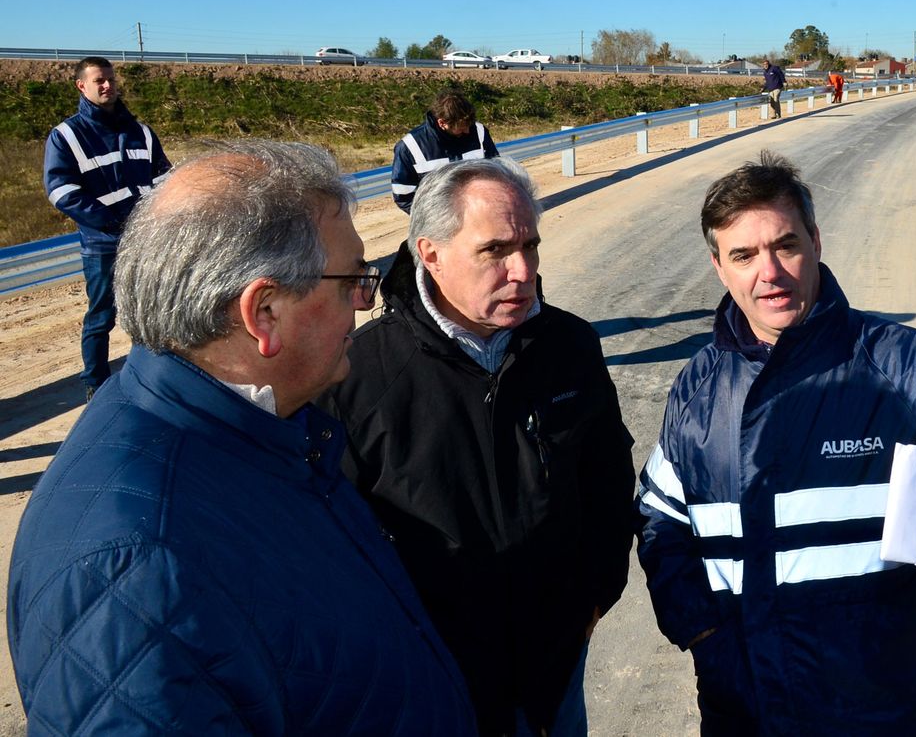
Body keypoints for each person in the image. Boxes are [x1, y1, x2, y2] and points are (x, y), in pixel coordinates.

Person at [8, 141, 476, 734]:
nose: (364, 306)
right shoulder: (136, 571)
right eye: (351, 284)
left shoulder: (256, 426)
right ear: (265, 313)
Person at [635, 152, 916, 736]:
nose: (769, 272)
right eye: (743, 255)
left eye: (784, 245)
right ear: (719, 268)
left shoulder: (895, 359)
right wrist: (703, 634)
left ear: (815, 241)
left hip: (872, 710)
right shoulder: (698, 386)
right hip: (739, 709)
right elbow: (660, 522)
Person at [319, 158, 636, 737]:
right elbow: (333, 545)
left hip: (554, 671)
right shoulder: (355, 374)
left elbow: (609, 480)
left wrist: (595, 595)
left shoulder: (570, 345)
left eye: (530, 246)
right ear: (430, 253)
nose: (522, 271)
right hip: (432, 684)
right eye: (494, 250)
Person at [43, 56, 171, 400]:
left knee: (149, 310)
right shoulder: (66, 136)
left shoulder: (140, 132)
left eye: (111, 80)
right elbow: (61, 191)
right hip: (103, 243)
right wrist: (112, 222)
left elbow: (164, 179)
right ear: (81, 86)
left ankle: (150, 378)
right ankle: (96, 385)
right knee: (102, 316)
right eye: (99, 80)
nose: (107, 86)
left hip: (144, 240)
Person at [392, 87, 499, 213]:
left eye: (469, 125)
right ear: (442, 123)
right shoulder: (409, 146)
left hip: (480, 215)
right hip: (440, 224)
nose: (467, 131)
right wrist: (433, 219)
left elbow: (497, 172)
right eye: (461, 127)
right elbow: (403, 195)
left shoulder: (479, 132)